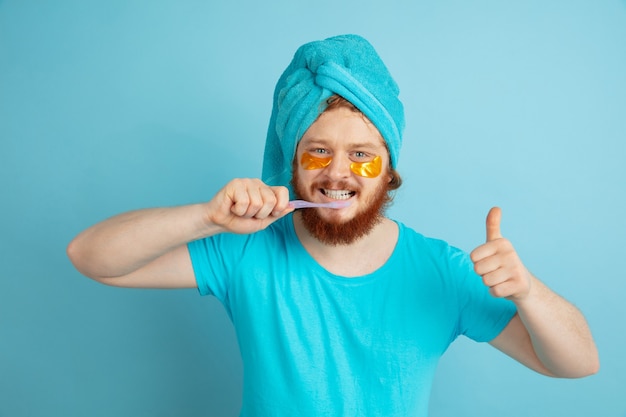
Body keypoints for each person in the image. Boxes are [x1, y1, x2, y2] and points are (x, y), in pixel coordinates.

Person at [67, 34, 599, 416]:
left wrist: (528, 292)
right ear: (290, 164)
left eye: (362, 156)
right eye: (317, 152)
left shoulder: (443, 271)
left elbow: (577, 364)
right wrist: (206, 217)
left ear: (388, 170)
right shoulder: (245, 251)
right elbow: (90, 257)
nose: (338, 173)